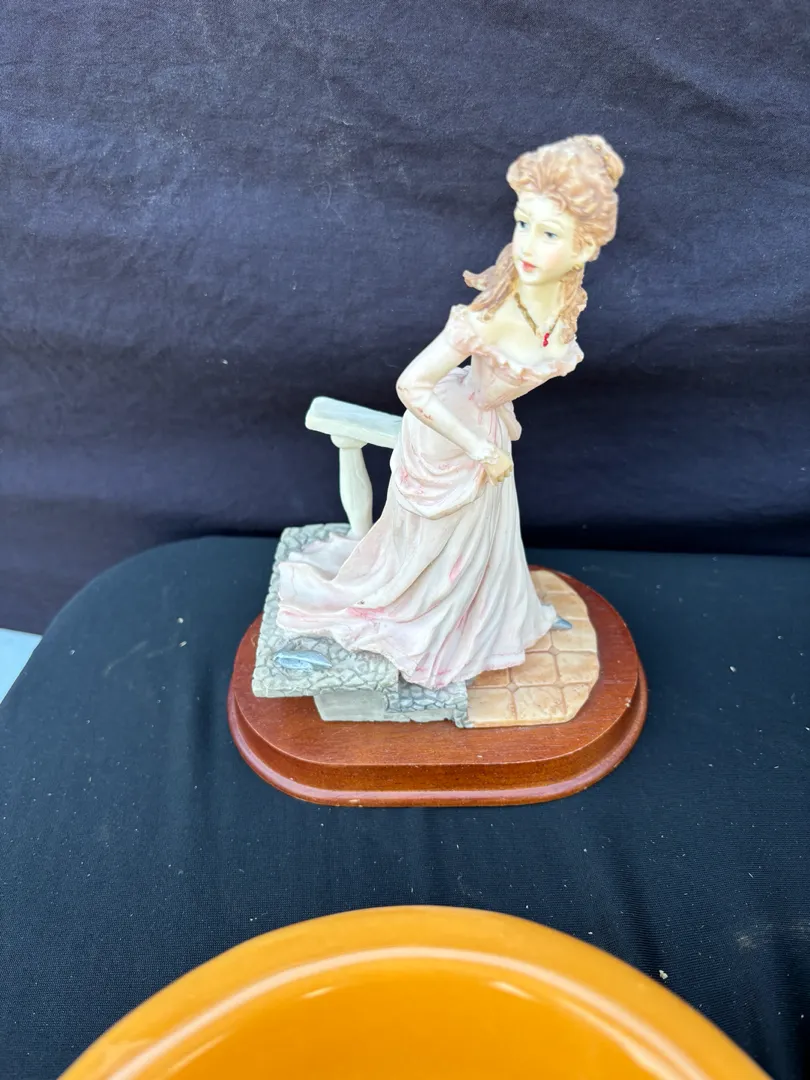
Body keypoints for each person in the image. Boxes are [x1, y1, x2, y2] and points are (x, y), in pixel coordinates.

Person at [277, 135, 624, 689]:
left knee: (487, 544)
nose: (528, 243)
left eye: (549, 232)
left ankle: (487, 621)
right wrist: (479, 446)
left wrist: (498, 424)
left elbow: (519, 373)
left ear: (583, 249)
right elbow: (411, 385)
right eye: (523, 223)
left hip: (487, 429)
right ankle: (434, 626)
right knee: (443, 551)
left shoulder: (561, 305)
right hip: (449, 433)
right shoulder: (485, 319)